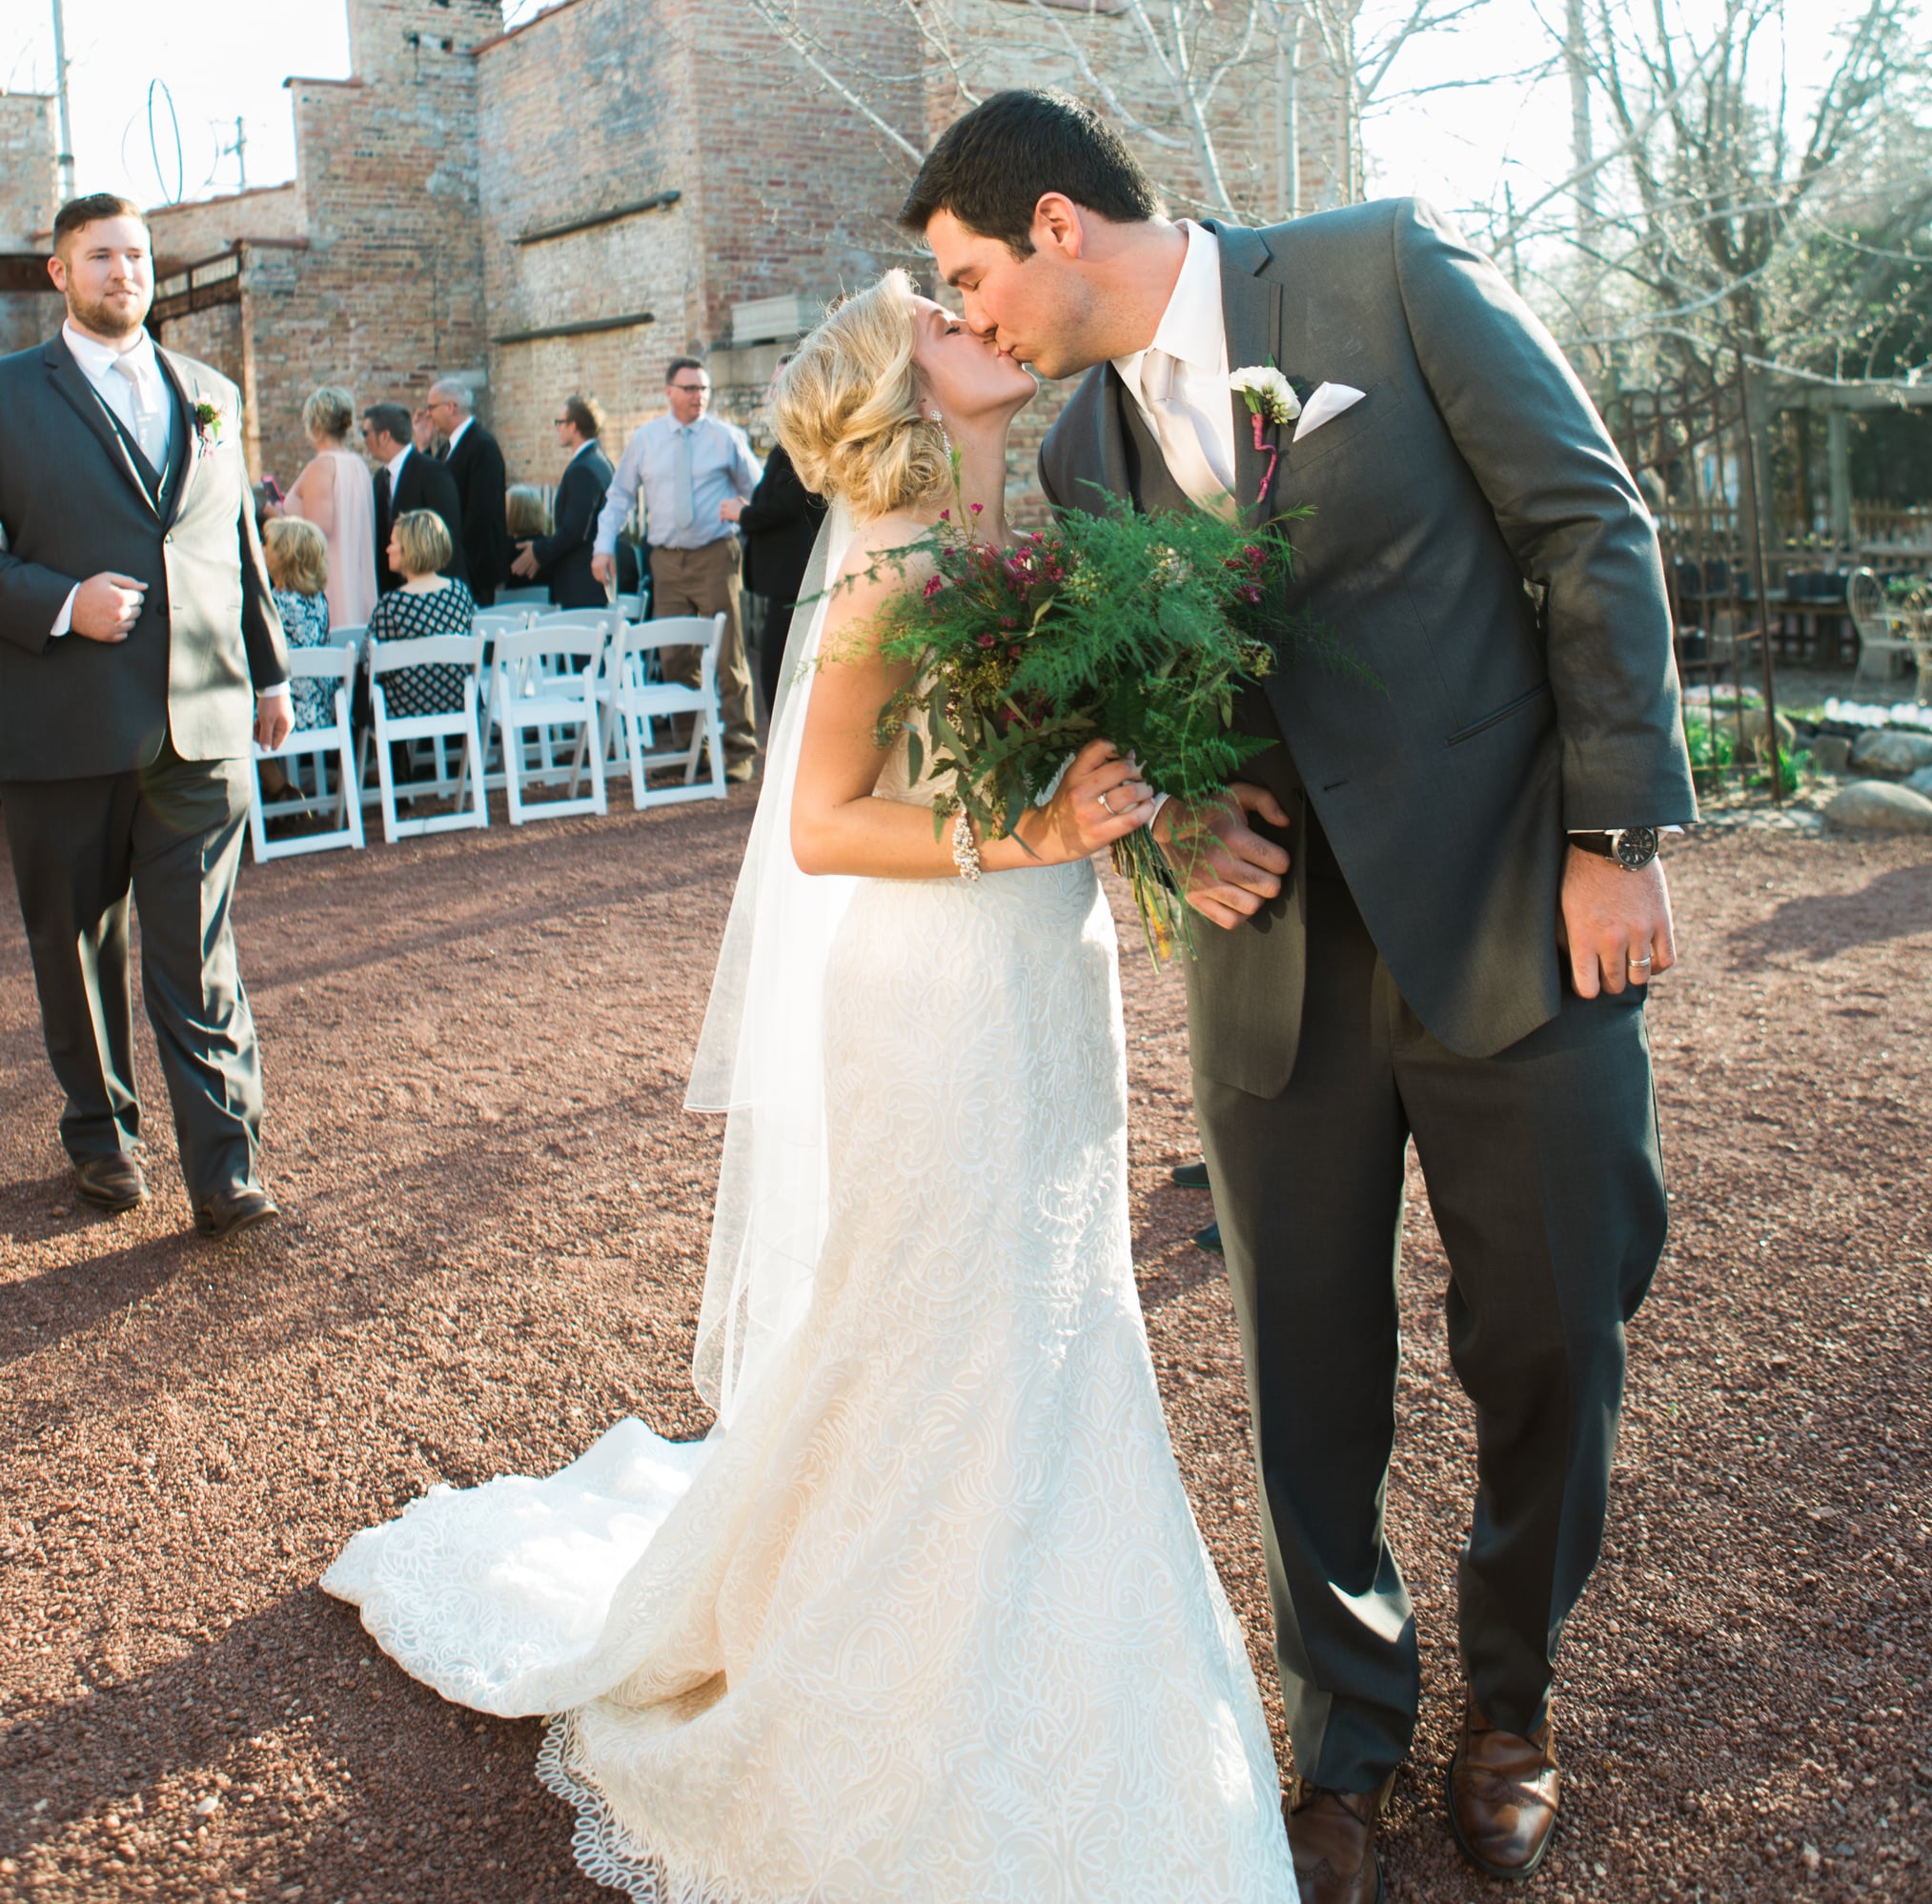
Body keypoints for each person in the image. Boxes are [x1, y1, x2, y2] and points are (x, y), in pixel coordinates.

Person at [324, 268, 1293, 1903]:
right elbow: (824, 821)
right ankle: (897, 1671)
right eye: (940, 317)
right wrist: (1033, 828)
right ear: (898, 388)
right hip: (934, 994)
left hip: (1048, 977)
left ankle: (1058, 1642)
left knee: (1056, 1313)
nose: (979, 317)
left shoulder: (1027, 543)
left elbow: (1069, 752)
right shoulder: (889, 566)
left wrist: (1139, 802)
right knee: (934, 1323)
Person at [903, 90, 1695, 1901]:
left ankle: (1512, 1707)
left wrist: (1615, 834)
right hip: (1274, 975)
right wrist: (1176, 826)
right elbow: (1128, 710)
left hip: (1514, 914)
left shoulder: (1379, 274)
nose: (968, 319)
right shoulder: (1076, 458)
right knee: (1303, 1375)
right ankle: (1341, 1743)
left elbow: (1590, 527)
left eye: (968, 276)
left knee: (1555, 1334)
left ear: (1054, 225)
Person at [0, 192, 291, 1235]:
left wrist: (269, 672)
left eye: (137, 254)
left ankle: (225, 1170)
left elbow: (234, 542)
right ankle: (102, 1141)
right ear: (60, 273)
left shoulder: (209, 392)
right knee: (75, 951)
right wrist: (59, 603)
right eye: (101, 256)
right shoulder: (7, 394)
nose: (124, 271)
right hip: (62, 728)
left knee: (199, 955)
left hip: (199, 725)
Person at [592, 357, 762, 781]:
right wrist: (603, 547)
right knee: (675, 656)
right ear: (668, 392)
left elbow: (758, 491)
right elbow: (619, 497)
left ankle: (739, 749)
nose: (698, 396)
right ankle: (692, 749)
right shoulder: (645, 440)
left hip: (715, 555)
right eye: (689, 388)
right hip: (666, 561)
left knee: (729, 654)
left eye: (703, 388)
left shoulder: (726, 437)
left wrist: (743, 509)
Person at [740, 423, 825, 723]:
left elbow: (786, 505)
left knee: (777, 668)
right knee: (779, 666)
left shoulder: (799, 443)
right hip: (790, 579)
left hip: (794, 578)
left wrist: (743, 515)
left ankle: (784, 736)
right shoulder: (794, 442)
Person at [280, 385, 378, 630]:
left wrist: (278, 515)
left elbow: (318, 530)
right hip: (358, 579)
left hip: (334, 584)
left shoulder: (322, 466)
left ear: (314, 426)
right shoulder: (358, 464)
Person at [512, 395, 614, 609]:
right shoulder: (602, 462)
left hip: (581, 586)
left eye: (559, 422)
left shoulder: (583, 469)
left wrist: (539, 551)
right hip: (592, 583)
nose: (557, 428)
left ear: (573, 426)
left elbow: (575, 530)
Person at [368, 510, 476, 713]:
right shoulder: (460, 593)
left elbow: (370, 663)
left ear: (410, 549)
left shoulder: (391, 605)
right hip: (457, 703)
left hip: (404, 709)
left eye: (393, 543)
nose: (387, 549)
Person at [423, 376, 510, 605]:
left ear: (450, 407)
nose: (428, 414)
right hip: (456, 565)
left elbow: (481, 512)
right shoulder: (448, 447)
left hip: (475, 568)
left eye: (431, 407)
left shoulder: (482, 446)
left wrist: (454, 557)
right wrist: (424, 446)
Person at [363, 402, 463, 598]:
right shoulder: (379, 479)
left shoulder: (431, 471)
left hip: (433, 592)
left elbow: (447, 532)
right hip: (393, 592)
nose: (364, 440)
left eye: (365, 433)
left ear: (385, 436)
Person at [262, 517, 333, 731]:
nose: (262, 549)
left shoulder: (272, 605)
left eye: (266, 544)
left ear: (281, 556)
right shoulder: (319, 602)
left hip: (281, 716)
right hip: (321, 713)